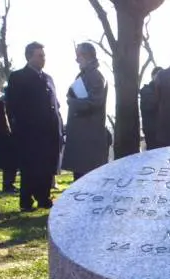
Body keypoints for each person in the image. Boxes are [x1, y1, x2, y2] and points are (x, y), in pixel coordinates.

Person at [5, 42, 63, 212]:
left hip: (49, 130)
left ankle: (44, 197)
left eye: (44, 55)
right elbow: (12, 105)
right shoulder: (18, 77)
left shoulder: (48, 78)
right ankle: (26, 200)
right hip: (29, 131)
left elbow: (55, 104)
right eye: (39, 55)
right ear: (29, 56)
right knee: (30, 166)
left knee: (46, 166)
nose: (43, 59)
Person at [62, 43, 110, 181]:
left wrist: (72, 101)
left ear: (87, 56)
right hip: (82, 138)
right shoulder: (85, 75)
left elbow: (95, 102)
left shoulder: (95, 76)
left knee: (86, 182)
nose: (76, 60)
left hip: (89, 140)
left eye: (78, 56)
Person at [0, 84, 19, 194]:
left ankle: (8, 184)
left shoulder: (4, 101)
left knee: (9, 164)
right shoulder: (6, 103)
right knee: (9, 164)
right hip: (7, 136)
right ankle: (8, 185)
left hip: (6, 136)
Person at [140, 66, 163, 150]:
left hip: (164, 132)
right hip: (152, 132)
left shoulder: (163, 90)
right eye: (158, 75)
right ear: (153, 76)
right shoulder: (146, 90)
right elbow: (150, 106)